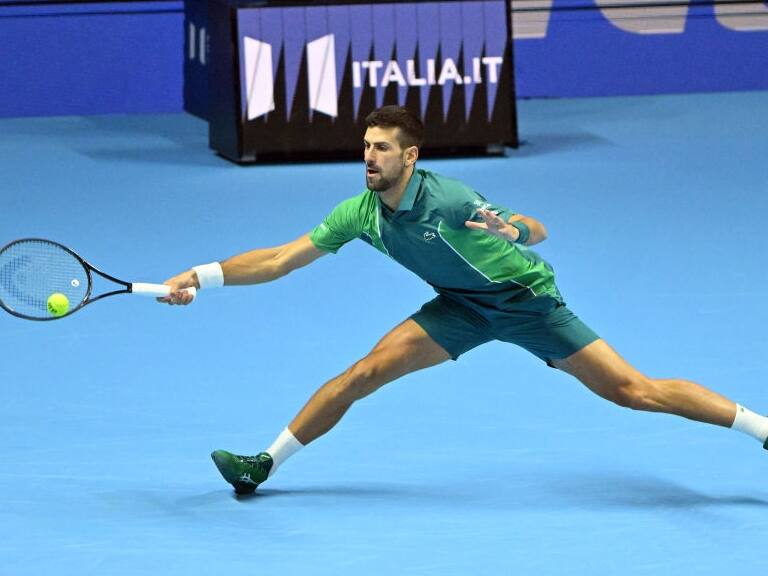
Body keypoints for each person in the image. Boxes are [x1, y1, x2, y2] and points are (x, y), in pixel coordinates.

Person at [160, 105, 767, 495]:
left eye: (382, 148)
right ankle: (261, 465)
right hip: (459, 307)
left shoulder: (448, 200)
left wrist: (512, 231)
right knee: (363, 373)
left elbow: (537, 226)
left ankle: (762, 429)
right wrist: (202, 275)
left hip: (528, 302)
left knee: (635, 392)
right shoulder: (360, 214)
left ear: (410, 156)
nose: (368, 157)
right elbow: (276, 260)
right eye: (366, 146)